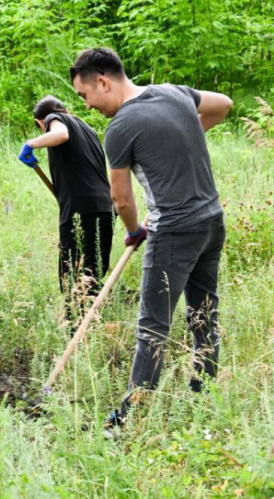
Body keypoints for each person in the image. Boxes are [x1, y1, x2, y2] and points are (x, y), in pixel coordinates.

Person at [70, 47, 232, 431]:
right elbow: (223, 104)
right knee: (203, 313)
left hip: (173, 232)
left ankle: (128, 420)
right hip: (212, 223)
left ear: (104, 82)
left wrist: (133, 230)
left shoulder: (121, 128)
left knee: (152, 327)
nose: (87, 105)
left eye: (85, 95)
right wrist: (181, 135)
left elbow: (120, 198)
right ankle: (203, 392)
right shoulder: (175, 92)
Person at [18, 95, 114, 330]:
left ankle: (76, 332)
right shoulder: (88, 129)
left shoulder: (56, 119)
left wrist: (31, 143)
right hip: (105, 207)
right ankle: (94, 328)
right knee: (93, 272)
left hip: (81, 210)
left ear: (40, 122)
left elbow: (60, 134)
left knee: (72, 275)